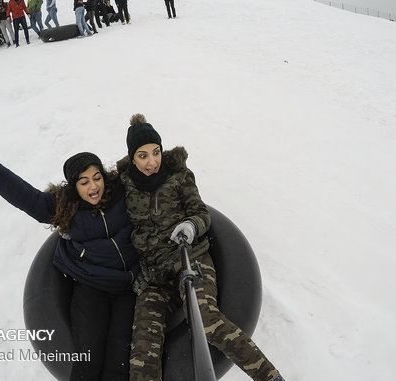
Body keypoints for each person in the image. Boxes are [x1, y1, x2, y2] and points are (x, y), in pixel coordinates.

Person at [0, 135, 140, 381]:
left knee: (119, 360)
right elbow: (23, 195)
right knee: (88, 359)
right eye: (84, 182)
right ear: (74, 186)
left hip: (126, 287)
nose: (93, 187)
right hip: (91, 286)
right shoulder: (65, 207)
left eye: (97, 178)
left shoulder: (121, 192)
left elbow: (148, 163)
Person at [117, 114, 286, 381]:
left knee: (206, 319)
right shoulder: (123, 184)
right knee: (143, 345)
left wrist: (192, 226)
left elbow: (201, 212)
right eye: (143, 155)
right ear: (132, 157)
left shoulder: (179, 177)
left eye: (156, 152)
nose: (152, 162)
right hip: (154, 276)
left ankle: (270, 377)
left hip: (190, 260)